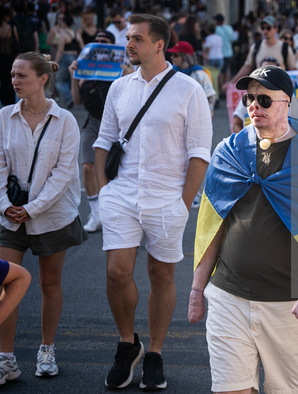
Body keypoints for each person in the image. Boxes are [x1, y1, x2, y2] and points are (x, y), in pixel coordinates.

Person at [188, 64, 298, 394]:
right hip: (229, 294)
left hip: (286, 302)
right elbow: (213, 222)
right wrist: (197, 290)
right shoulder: (228, 151)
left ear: (287, 102)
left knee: (293, 390)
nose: (254, 105)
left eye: (265, 99)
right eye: (249, 99)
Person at [93, 14, 212, 390]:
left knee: (161, 274)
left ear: (159, 44)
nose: (129, 44)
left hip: (166, 198)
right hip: (122, 195)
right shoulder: (120, 88)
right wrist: (104, 192)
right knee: (117, 272)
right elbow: (103, 142)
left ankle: (156, 353)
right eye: (129, 38)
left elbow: (199, 153)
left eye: (137, 39)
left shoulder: (189, 89)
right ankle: (128, 344)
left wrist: (183, 202)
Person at [0, 52, 88, 381]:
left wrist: (32, 208)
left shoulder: (64, 121)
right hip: (9, 215)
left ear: (42, 79)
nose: (14, 81)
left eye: (21, 75)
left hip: (52, 216)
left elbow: (64, 174)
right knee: (6, 284)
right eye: (12, 75)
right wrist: (5, 204)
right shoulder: (4, 117)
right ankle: (5, 358)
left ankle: (47, 349)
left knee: (49, 283)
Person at [68, 30, 132, 233]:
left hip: (119, 124)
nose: (99, 44)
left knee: (118, 170)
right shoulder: (87, 70)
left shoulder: (123, 69)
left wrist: (129, 76)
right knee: (87, 166)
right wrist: (74, 77)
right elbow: (77, 101)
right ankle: (95, 212)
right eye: (96, 41)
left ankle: (121, 212)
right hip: (94, 121)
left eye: (104, 41)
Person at [224, 16, 297, 90]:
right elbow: (247, 67)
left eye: (268, 28)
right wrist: (232, 82)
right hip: (260, 91)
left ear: (276, 29)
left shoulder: (285, 48)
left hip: (279, 91)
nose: (265, 30)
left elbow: (293, 70)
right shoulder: (256, 47)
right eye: (263, 28)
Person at [167, 40, 216, 116]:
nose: (172, 57)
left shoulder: (200, 74)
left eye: (175, 55)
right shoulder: (170, 73)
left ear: (185, 56)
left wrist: (210, 109)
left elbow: (211, 94)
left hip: (195, 114)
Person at [54, 12, 83, 108]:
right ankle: (73, 99)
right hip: (75, 57)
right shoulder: (77, 33)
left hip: (65, 57)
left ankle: (69, 98)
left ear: (64, 23)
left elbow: (60, 50)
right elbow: (82, 48)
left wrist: (55, 63)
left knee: (59, 80)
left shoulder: (63, 34)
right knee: (71, 80)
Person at [0, 6, 18, 106]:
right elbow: (17, 42)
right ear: (6, 16)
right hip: (9, 58)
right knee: (8, 80)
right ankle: (8, 102)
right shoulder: (11, 28)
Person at [213, 14, 234, 90]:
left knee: (220, 72)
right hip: (229, 52)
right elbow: (232, 40)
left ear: (217, 21)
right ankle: (226, 88)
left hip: (220, 53)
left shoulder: (216, 29)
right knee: (226, 71)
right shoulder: (229, 28)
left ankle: (221, 89)